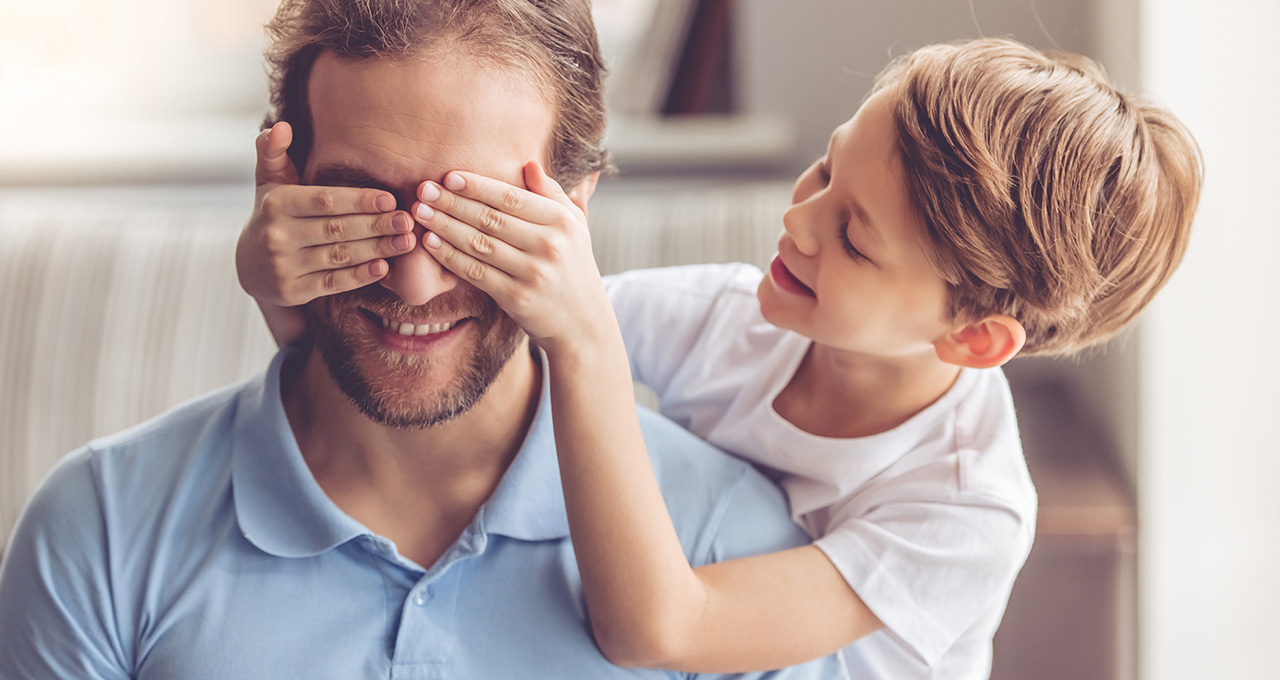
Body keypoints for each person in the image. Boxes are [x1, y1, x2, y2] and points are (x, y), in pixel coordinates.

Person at [238, 37, 1203, 678]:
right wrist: (277, 277)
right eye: (826, 169)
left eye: (856, 237)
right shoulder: (728, 316)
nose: (799, 220)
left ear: (972, 338)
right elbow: (430, 371)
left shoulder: (966, 509)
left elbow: (663, 629)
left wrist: (581, 339)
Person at [0, 1, 846, 679]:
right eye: (362, 210)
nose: (415, 283)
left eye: (477, 221)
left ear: (575, 208)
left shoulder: (728, 542)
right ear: (283, 190)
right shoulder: (100, 528)